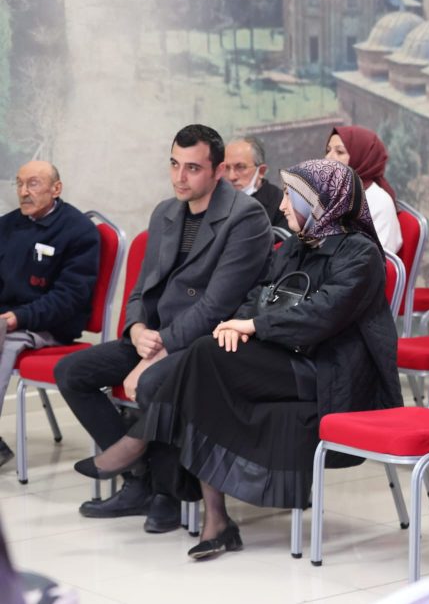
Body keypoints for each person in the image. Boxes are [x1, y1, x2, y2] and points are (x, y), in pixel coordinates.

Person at [73, 159, 402, 559]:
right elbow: (258, 292)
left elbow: (322, 314)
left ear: (321, 203)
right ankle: (215, 520)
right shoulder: (298, 244)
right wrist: (238, 324)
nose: (282, 205)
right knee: (206, 372)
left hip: (326, 371)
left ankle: (140, 448)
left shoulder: (361, 254)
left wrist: (252, 326)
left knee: (203, 357)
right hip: (280, 355)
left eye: (291, 196)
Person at [55, 124, 271, 533]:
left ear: (218, 171)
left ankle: (167, 494)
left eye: (192, 168)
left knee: (155, 383)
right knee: (72, 372)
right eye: (174, 164)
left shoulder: (246, 217)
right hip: (157, 334)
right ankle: (141, 479)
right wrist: (136, 329)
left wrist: (156, 352)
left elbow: (216, 306)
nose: (179, 177)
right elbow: (141, 288)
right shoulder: (165, 212)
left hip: (208, 342)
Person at [0, 161, 100, 467]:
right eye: (19, 184)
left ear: (56, 189)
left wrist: (16, 319)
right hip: (8, 318)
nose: (23, 192)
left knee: (3, 341)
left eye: (33, 184)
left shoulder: (79, 232)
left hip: (48, 325)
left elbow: (69, 299)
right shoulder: (7, 225)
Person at [324, 125, 403, 254]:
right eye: (328, 150)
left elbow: (375, 260)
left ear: (361, 157)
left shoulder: (380, 203)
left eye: (340, 152)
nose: (328, 157)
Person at [223, 136, 288, 229]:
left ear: (261, 171)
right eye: (226, 168)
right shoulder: (215, 201)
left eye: (240, 167)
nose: (231, 177)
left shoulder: (282, 204)